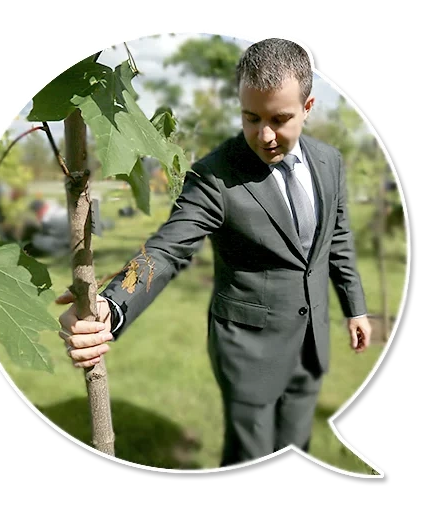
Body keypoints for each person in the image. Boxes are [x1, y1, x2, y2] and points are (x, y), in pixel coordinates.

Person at [56, 37, 372, 467]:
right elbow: (167, 250)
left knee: (297, 451)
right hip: (249, 351)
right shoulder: (214, 176)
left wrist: (355, 308)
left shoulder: (330, 160)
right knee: (252, 460)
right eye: (250, 117)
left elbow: (337, 238)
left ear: (309, 107)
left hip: (312, 342)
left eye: (280, 119)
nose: (264, 135)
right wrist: (111, 306)